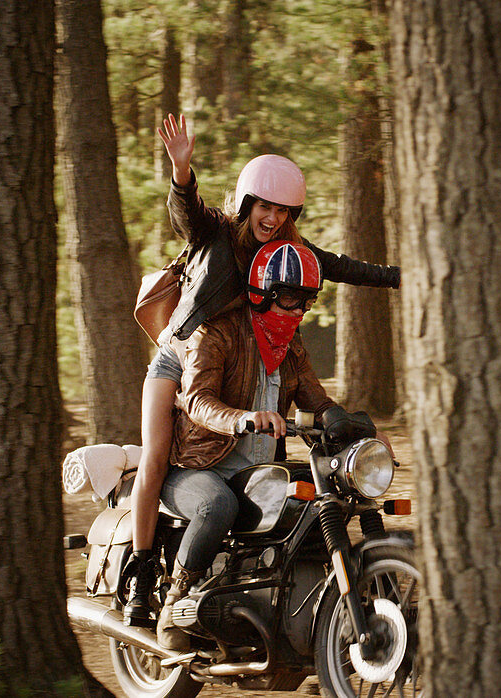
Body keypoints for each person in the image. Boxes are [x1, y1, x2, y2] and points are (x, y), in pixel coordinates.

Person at [123, 114, 400, 628]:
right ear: (248, 204)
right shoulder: (218, 234)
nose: (272, 218)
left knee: (266, 472)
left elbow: (340, 267)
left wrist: (402, 277)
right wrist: (182, 171)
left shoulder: (288, 252)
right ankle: (144, 577)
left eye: (283, 210)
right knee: (158, 458)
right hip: (185, 353)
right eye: (265, 207)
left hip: (252, 361)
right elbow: (187, 213)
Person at [149, 240, 339, 650]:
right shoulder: (215, 330)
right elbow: (197, 400)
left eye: (306, 301)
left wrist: (353, 426)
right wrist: (242, 418)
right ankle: (176, 600)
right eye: (290, 299)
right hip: (196, 468)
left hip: (252, 475)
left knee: (320, 502)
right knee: (216, 505)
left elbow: (317, 400)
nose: (298, 311)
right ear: (262, 293)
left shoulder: (290, 346)